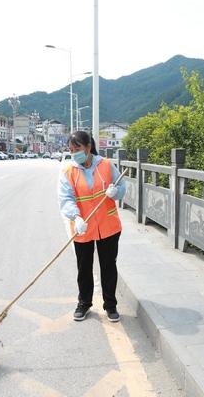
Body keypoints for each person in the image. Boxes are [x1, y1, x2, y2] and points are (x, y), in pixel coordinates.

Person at [58, 131, 126, 322]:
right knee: (84, 268)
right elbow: (65, 199)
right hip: (83, 227)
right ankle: (84, 303)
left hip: (108, 225)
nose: (74, 153)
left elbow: (122, 187)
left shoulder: (105, 165)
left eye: (77, 149)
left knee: (108, 267)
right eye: (71, 150)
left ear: (88, 147)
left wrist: (115, 192)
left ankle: (111, 306)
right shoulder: (68, 172)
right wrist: (76, 218)